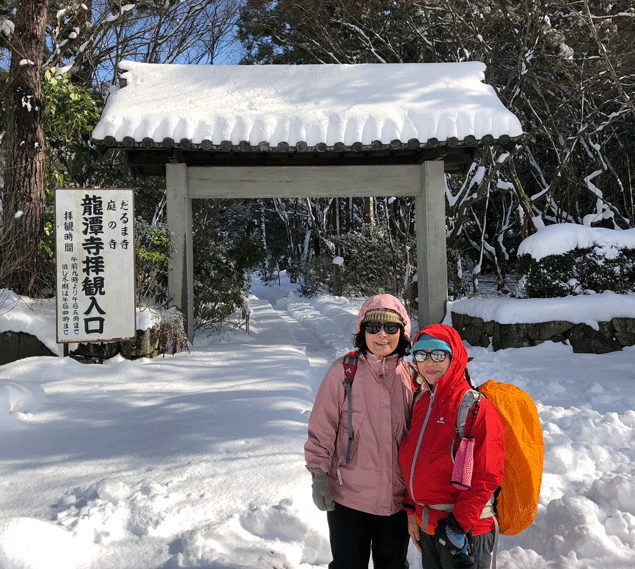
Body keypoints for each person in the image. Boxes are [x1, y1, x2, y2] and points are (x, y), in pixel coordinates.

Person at [304, 294, 414, 569]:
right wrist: (319, 473)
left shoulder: (412, 377)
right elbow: (322, 428)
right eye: (373, 327)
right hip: (348, 498)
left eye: (391, 328)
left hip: (397, 502)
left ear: (402, 332)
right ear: (361, 330)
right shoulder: (343, 371)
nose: (381, 335)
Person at [399, 324, 505, 569]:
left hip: (466, 531)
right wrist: (411, 512)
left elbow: (488, 474)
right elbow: (413, 461)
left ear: (454, 356)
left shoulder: (474, 407)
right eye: (421, 354)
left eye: (438, 354)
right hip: (430, 527)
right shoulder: (422, 402)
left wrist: (457, 525)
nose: (429, 362)